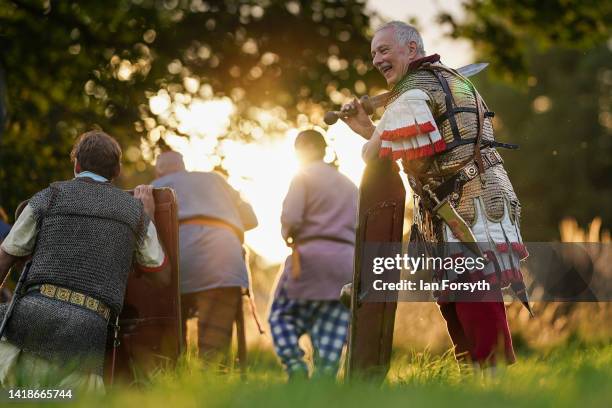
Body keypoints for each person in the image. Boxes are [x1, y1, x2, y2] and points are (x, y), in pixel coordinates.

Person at [341, 21, 527, 368]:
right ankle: (476, 382)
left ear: (411, 49)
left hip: (469, 203)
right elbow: (411, 152)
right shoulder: (441, 80)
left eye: (383, 50)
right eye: (373, 54)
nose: (376, 60)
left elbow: (374, 154)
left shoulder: (415, 86)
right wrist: (369, 129)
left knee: (473, 293)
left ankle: (494, 382)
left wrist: (371, 135)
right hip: (455, 205)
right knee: (455, 298)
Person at [0, 130, 170, 392]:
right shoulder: (134, 212)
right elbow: (161, 276)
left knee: (19, 398)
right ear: (117, 171)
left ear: (77, 164)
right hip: (86, 335)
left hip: (27, 324)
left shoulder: (49, 197)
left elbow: (5, 258)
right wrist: (149, 216)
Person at [152, 151, 258, 364]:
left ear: (158, 170)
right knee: (214, 337)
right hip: (223, 257)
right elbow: (251, 219)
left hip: (178, 260)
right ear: (184, 166)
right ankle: (212, 374)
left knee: (172, 324)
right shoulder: (214, 179)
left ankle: (174, 372)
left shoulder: (154, 186)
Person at [269, 129, 358, 379]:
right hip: (345, 262)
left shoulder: (303, 176)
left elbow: (291, 218)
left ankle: (295, 365)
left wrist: (287, 234)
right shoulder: (350, 184)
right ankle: (324, 380)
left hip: (309, 257)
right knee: (332, 322)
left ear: (300, 150)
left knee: (282, 315)